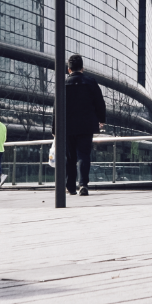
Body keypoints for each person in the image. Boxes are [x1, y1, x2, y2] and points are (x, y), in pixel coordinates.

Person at [64, 54, 105, 197]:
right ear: (82, 68)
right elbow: (99, 102)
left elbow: (57, 107)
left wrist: (54, 128)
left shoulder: (64, 84)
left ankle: (70, 187)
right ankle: (83, 185)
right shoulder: (91, 82)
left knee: (70, 157)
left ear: (69, 69)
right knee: (83, 155)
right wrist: (101, 119)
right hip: (86, 126)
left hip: (67, 126)